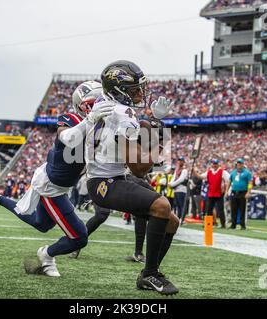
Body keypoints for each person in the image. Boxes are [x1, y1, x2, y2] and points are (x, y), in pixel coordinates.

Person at [0, 80, 114, 277]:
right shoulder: (70, 118)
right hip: (51, 186)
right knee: (79, 237)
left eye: (100, 102)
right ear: (81, 106)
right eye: (92, 103)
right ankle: (47, 255)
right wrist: (90, 122)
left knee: (41, 224)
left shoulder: (99, 130)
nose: (97, 107)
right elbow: (70, 138)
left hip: (60, 185)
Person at [85, 60, 179, 295]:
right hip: (104, 182)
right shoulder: (123, 113)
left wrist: (153, 125)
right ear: (118, 90)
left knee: (171, 220)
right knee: (161, 205)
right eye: (134, 89)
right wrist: (161, 137)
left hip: (112, 175)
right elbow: (139, 168)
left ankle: (150, 271)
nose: (139, 93)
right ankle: (149, 275)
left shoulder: (104, 102)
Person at [193, 159, 230, 229]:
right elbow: (201, 177)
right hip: (211, 193)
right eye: (213, 164)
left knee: (220, 209)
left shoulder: (223, 172)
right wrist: (195, 172)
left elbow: (229, 180)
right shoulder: (209, 172)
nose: (215, 165)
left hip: (219, 193)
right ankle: (208, 223)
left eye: (216, 164)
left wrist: (225, 188)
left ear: (218, 164)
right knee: (209, 210)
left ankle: (223, 224)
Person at [227, 158, 252, 230]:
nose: (239, 165)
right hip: (234, 192)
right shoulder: (233, 172)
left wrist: (248, 192)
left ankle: (242, 225)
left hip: (243, 192)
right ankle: (233, 224)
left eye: (240, 163)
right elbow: (229, 182)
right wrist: (227, 191)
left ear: (243, 164)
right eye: (238, 163)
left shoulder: (247, 173)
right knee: (233, 209)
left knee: (242, 209)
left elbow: (250, 183)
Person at [169, 157, 189, 224]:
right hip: (176, 190)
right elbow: (173, 177)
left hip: (182, 190)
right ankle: (178, 218)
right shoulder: (177, 170)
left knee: (181, 205)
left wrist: (172, 184)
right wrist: (171, 183)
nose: (179, 162)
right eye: (179, 161)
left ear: (183, 162)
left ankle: (182, 219)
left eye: (181, 161)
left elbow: (181, 179)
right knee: (177, 205)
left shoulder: (184, 170)